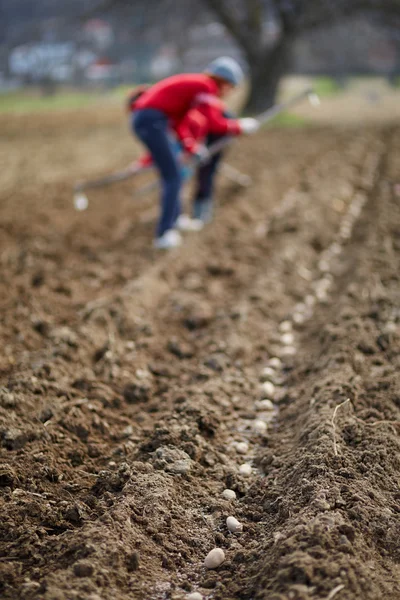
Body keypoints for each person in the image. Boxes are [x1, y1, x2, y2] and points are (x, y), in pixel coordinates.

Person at [131, 57, 260, 249]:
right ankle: (164, 234)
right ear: (223, 82)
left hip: (151, 121)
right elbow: (213, 122)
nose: (228, 93)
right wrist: (239, 126)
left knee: (174, 174)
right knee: (173, 177)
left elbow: (181, 124)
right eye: (230, 87)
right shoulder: (206, 86)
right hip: (152, 122)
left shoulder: (196, 87)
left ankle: (175, 220)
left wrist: (192, 147)